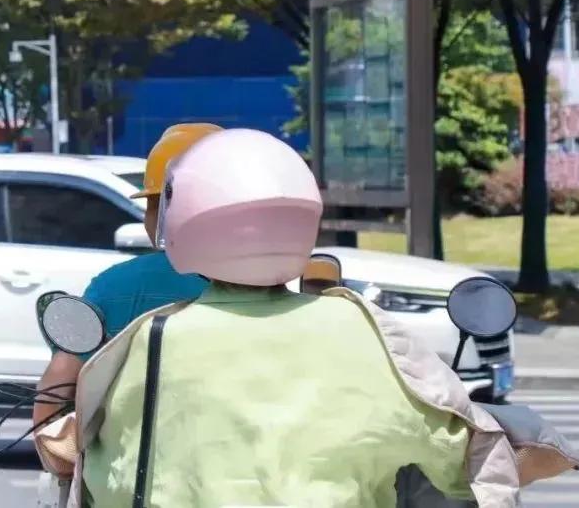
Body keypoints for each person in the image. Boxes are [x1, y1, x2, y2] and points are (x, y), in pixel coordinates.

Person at [71, 128, 518, 507]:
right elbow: (466, 461)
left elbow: (108, 476)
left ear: (182, 216)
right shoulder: (361, 332)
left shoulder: (153, 338)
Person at [31, 123, 219, 428]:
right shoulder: (280, 284)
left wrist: (55, 448)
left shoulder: (116, 287)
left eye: (152, 205)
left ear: (164, 209)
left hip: (136, 457)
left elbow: (57, 388)